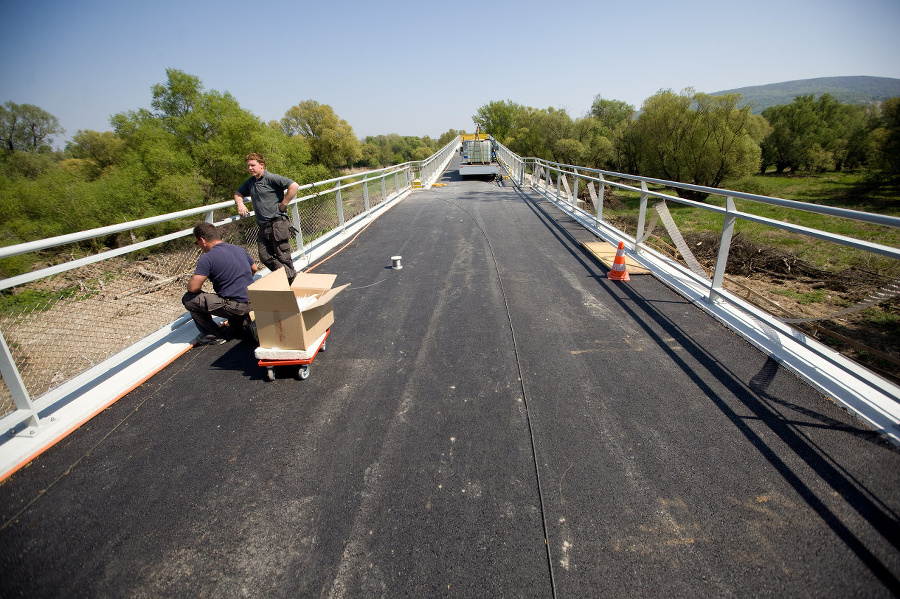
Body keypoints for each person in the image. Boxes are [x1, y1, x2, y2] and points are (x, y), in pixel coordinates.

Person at [183, 222, 258, 345]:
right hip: (252, 301)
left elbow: (193, 288)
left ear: (202, 240)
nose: (198, 246)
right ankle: (242, 324)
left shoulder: (207, 258)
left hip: (235, 306)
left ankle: (213, 335)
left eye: (197, 243)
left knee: (189, 299)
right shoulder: (238, 249)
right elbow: (254, 268)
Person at [234, 153, 301, 283]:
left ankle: (293, 285)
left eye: (253, 165)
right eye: (248, 166)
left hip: (277, 223)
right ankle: (288, 278)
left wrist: (284, 204)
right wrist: (240, 203)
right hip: (263, 226)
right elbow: (238, 193)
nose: (250, 168)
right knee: (264, 257)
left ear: (261, 165)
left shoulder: (271, 178)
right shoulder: (250, 182)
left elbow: (294, 186)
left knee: (283, 257)